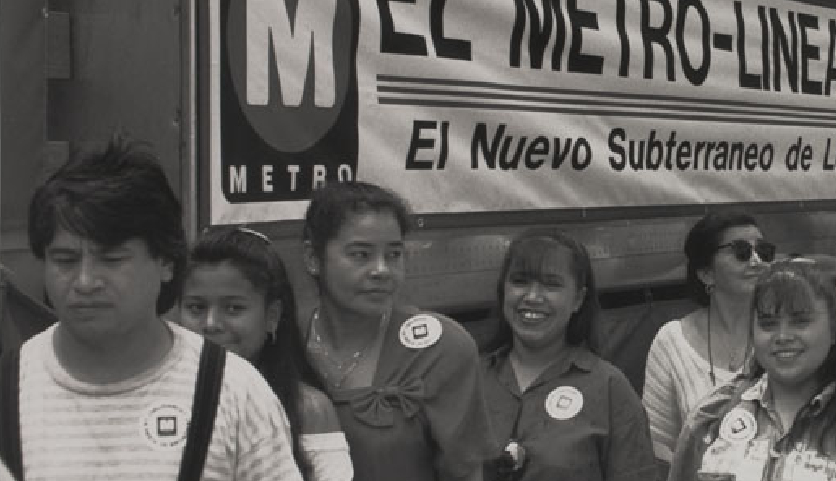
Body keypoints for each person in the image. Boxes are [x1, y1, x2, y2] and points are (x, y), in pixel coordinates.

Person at [5, 137, 302, 480]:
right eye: (65, 260)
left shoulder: (233, 392)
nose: (85, 281)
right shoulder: (10, 391)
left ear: (165, 262)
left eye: (112, 259)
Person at [302, 181, 493, 481]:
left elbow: (466, 472)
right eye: (360, 255)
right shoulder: (282, 341)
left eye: (393, 254)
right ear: (313, 259)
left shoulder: (442, 348)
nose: (382, 270)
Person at [669, 259, 836, 481]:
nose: (782, 336)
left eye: (800, 321)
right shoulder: (713, 416)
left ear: (833, 330)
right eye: (768, 324)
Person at [179, 227, 354, 481]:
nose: (211, 323)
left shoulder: (308, 410)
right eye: (196, 307)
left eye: (233, 308)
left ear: (272, 316)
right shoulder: (158, 396)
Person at [479, 231, 655, 481]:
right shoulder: (468, 380)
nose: (532, 297)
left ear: (578, 299)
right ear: (503, 291)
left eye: (551, 285)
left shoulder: (609, 388)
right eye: (520, 281)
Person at [642, 210, 773, 469]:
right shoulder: (672, 341)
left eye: (764, 251)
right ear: (706, 273)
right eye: (741, 251)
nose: (757, 261)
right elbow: (657, 444)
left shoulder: (783, 336)